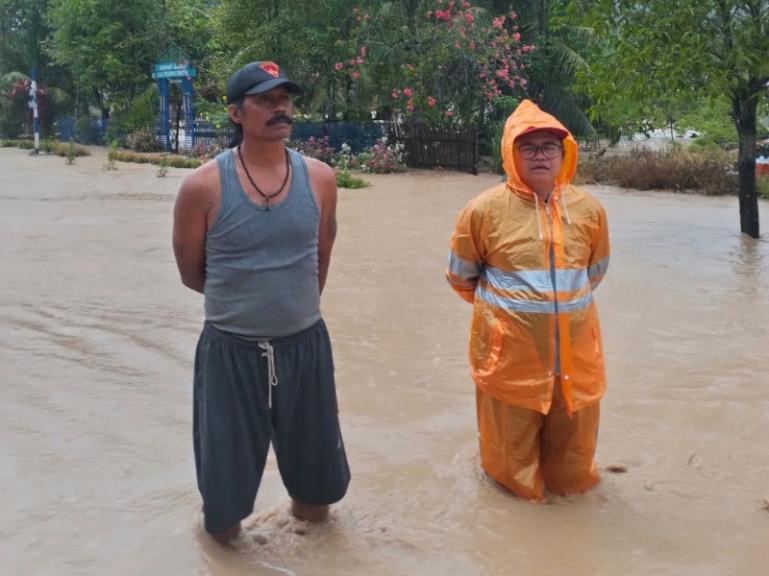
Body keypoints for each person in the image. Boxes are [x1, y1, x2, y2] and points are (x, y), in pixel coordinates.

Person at [172, 61, 350, 543]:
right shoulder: (203, 187)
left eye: (285, 98)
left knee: (317, 493)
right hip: (231, 354)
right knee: (224, 506)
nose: (280, 107)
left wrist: (291, 309)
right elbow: (192, 272)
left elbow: (320, 258)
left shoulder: (320, 179)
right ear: (235, 113)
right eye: (265, 99)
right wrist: (247, 306)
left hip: (304, 347)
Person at [445, 99, 610, 502]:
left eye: (549, 147)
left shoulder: (589, 210)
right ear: (510, 153)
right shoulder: (482, 211)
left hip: (577, 364)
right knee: (511, 480)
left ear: (564, 153)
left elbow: (595, 273)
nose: (540, 155)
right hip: (509, 366)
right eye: (528, 147)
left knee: (574, 478)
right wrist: (507, 324)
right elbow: (461, 277)